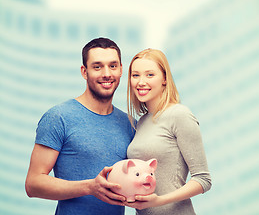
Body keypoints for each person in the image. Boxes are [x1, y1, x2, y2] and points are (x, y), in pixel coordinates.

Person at [25, 37, 135, 215]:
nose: (107, 73)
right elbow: (33, 184)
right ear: (84, 72)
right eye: (97, 66)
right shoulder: (59, 117)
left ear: (121, 70)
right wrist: (90, 187)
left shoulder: (130, 124)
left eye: (113, 66)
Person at [125, 48, 211, 214]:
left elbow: (203, 179)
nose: (141, 81)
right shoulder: (141, 122)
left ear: (164, 79)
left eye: (150, 75)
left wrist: (159, 201)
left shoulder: (179, 115)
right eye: (135, 75)